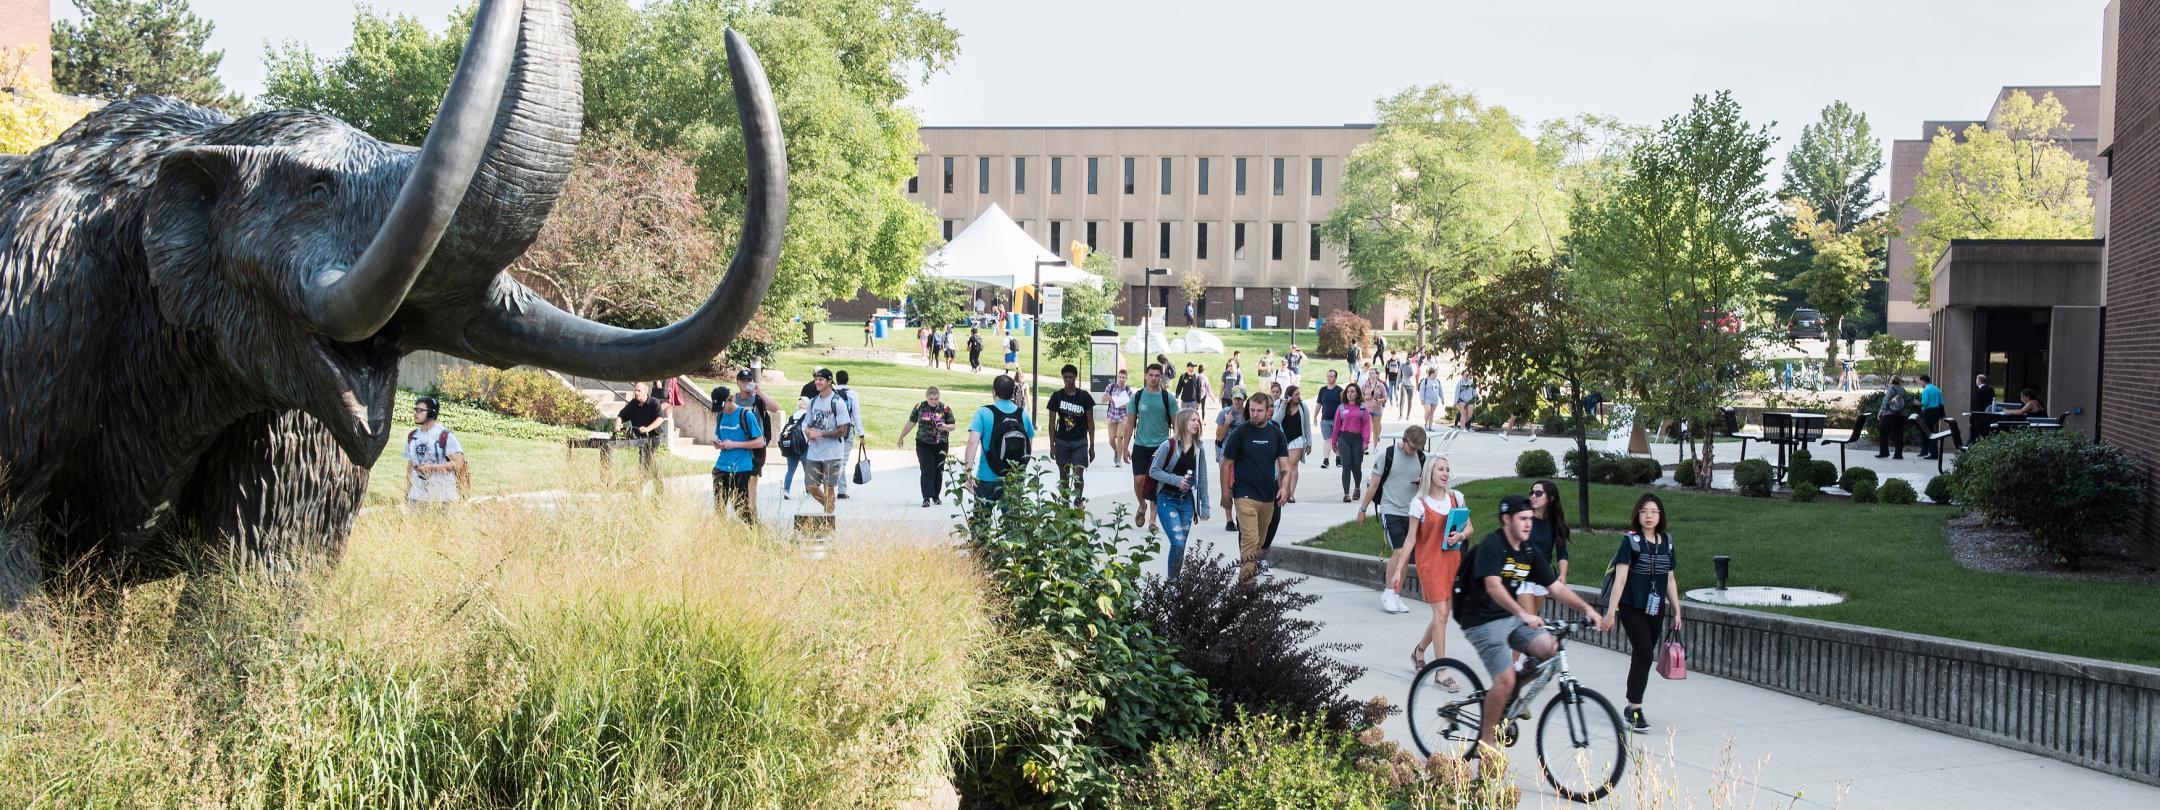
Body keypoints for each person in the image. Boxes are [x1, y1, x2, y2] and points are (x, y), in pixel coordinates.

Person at [1455, 495, 1611, 751]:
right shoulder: (1492, 546)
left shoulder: (1527, 551)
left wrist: (1587, 609)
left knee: (1549, 649)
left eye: (1530, 518)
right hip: (1480, 619)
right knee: (1503, 680)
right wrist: (1523, 613)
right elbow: (1493, 587)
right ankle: (1486, 740)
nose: (1529, 524)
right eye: (1523, 518)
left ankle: (1509, 695)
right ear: (1507, 519)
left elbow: (1555, 588)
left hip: (1509, 617)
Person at [1601, 492, 1682, 735]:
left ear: (1660, 515)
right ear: (1638, 514)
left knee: (1643, 655)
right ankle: (1634, 707)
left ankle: (1633, 703)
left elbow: (1670, 578)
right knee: (1644, 653)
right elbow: (1620, 579)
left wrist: (1677, 610)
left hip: (1655, 607)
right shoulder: (1631, 542)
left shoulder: (1667, 541)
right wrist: (1611, 612)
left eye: (1654, 511)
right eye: (1644, 511)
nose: (1649, 516)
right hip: (1630, 605)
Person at [1407, 456, 1472, 675]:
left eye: (1447, 469)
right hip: (1430, 564)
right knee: (1441, 613)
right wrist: (1398, 570)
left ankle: (1419, 650)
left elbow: (1469, 528)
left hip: (1452, 562)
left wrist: (1461, 535)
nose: (1445, 473)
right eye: (1440, 469)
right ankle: (1441, 671)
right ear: (1429, 474)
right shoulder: (1419, 504)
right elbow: (1410, 540)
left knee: (1443, 615)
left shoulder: (1456, 498)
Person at [1220, 392, 1291, 585]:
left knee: (1258, 543)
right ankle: (1246, 586)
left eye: (1259, 411)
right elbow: (1226, 464)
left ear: (1269, 411)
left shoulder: (1276, 433)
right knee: (1250, 539)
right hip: (1244, 494)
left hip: (1268, 495)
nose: (1255, 414)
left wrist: (1284, 488)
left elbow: (1285, 466)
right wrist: (1225, 493)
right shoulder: (1241, 432)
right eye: (1252, 410)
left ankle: (1248, 576)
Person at [1360, 425, 1428, 614]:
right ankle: (1388, 592)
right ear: (1404, 440)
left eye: (1417, 449)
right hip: (1390, 510)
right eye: (1412, 447)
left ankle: (1396, 595)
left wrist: (1422, 481)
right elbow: (1374, 484)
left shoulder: (1422, 458)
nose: (1414, 451)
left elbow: (1429, 484)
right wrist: (1363, 509)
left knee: (1405, 556)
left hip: (1412, 513)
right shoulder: (1386, 456)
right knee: (1398, 552)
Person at [1149, 407, 1212, 579]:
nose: (1196, 423)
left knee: (1181, 545)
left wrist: (1205, 506)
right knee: (1177, 542)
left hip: (1187, 503)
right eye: (1192, 420)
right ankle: (1172, 583)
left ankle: (1175, 584)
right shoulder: (1168, 445)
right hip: (1166, 500)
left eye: (1198, 420)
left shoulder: (1199, 448)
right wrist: (1177, 480)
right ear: (1183, 422)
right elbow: (1153, 471)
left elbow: (1202, 479)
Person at [963, 374, 1035, 518]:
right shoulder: (1022, 414)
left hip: (987, 476)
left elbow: (972, 443)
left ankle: (981, 541)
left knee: (981, 522)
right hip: (1014, 477)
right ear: (1013, 393)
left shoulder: (984, 412)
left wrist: (968, 472)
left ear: (994, 392)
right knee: (1013, 524)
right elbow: (1029, 444)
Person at [1124, 363, 1179, 531]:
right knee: (1139, 481)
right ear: (1146, 376)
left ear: (1161, 378)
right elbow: (1130, 423)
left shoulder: (1167, 398)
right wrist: (1125, 447)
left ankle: (1152, 521)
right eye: (1151, 375)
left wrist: (1177, 444)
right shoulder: (1138, 397)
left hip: (1161, 446)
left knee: (1155, 483)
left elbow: (1176, 422)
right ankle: (1142, 505)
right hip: (1141, 445)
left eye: (1157, 375)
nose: (1154, 378)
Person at [1517, 479, 1573, 622]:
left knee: (1529, 621)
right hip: (1521, 575)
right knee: (1530, 620)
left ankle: (1515, 642)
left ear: (1551, 498)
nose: (1533, 496)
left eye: (1538, 493)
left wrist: (1562, 575)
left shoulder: (1555, 523)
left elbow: (1562, 553)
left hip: (1541, 577)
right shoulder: (1524, 518)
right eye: (1532, 492)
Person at [709, 385, 766, 522]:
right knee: (719, 508)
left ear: (730, 400)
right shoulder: (721, 415)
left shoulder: (746, 415)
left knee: (741, 508)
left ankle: (756, 534)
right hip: (721, 466)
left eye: (722, 406)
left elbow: (760, 442)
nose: (720, 410)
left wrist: (733, 444)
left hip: (741, 468)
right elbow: (722, 436)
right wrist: (719, 443)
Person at [800, 368, 855, 513]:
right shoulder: (812, 402)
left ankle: (828, 518)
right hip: (814, 453)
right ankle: (829, 507)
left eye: (821, 379)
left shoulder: (837, 402)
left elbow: (844, 431)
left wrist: (821, 434)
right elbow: (806, 423)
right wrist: (807, 431)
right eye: (816, 379)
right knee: (810, 485)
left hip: (833, 453)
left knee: (829, 488)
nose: (817, 382)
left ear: (829, 382)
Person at [896, 386, 957, 508]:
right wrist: (901, 436)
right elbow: (911, 423)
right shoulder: (920, 407)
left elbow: (953, 426)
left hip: (941, 444)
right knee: (927, 469)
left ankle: (936, 495)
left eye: (936, 399)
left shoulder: (945, 409)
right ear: (926, 398)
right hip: (923, 443)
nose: (934, 401)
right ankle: (926, 497)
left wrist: (944, 426)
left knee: (938, 470)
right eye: (931, 399)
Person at [732, 369, 781, 520]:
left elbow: (775, 408)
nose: (746, 383)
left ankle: (752, 516)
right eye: (743, 380)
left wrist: (760, 393)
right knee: (737, 482)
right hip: (737, 446)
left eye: (749, 380)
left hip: (755, 447)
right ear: (738, 382)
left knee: (752, 482)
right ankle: (742, 513)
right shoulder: (733, 400)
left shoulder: (758, 399)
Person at [404, 396, 465, 505]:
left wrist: (432, 467)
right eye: (415, 410)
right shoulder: (412, 436)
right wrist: (408, 491)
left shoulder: (445, 435)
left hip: (443, 498)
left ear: (432, 413)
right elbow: (410, 465)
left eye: (420, 410)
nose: (415, 413)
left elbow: (459, 463)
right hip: (416, 497)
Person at [1047, 364, 1097, 495]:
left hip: (1080, 442)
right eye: (1066, 377)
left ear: (1075, 378)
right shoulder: (1057, 396)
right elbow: (1051, 422)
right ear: (1063, 378)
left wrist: (1092, 446)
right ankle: (1065, 506)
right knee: (1063, 476)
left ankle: (1078, 501)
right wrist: (1052, 444)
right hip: (1062, 441)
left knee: (1078, 475)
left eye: (1071, 377)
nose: (1068, 380)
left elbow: (1091, 422)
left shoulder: (1084, 396)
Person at [1333, 383, 1375, 502]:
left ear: (1357, 394)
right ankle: (1346, 494)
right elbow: (1336, 425)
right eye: (1348, 392)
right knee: (1346, 466)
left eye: (1352, 392)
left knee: (1356, 467)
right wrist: (1334, 441)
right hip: (1344, 438)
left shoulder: (1362, 408)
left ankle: (1357, 487)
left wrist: (1366, 442)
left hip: (1357, 439)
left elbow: (1366, 426)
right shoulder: (1341, 408)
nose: (1350, 394)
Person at [1104, 368, 1134, 468]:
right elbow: (1104, 399)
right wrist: (1106, 397)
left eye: (1123, 377)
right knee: (1111, 439)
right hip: (1112, 415)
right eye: (1120, 377)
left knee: (1120, 438)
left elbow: (1130, 405)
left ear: (1126, 378)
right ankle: (1117, 451)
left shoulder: (1128, 390)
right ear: (1117, 377)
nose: (1121, 379)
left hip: (1123, 416)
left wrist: (1124, 405)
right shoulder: (1111, 387)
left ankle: (1119, 460)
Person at [781, 394, 809, 500]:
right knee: (807, 470)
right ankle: (808, 490)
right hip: (804, 446)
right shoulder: (807, 415)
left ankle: (786, 491)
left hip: (791, 446)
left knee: (790, 470)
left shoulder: (792, 417)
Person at [1875, 376, 1910, 460]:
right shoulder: (1903, 390)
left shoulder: (1891, 390)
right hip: (1900, 415)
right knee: (1899, 435)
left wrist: (1881, 411)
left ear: (1892, 381)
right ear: (1899, 382)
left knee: (1883, 433)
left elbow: (1885, 402)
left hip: (1889, 415)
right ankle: (1898, 454)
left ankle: (1884, 453)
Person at [1316, 370, 1344, 470]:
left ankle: (1338, 459)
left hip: (1337, 420)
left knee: (1337, 440)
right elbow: (1319, 404)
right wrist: (1315, 416)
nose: (1329, 378)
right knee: (1327, 440)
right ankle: (1326, 460)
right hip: (1325, 420)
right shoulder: (1322, 390)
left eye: (1331, 376)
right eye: (1328, 376)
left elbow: (1343, 406)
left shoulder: (1339, 390)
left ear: (1335, 378)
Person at [1916, 374, 1946, 460]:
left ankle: (1932, 453)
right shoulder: (1937, 389)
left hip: (1928, 412)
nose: (1920, 384)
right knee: (1931, 432)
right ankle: (1926, 451)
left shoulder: (1926, 390)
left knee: (1929, 433)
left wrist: (1917, 403)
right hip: (1936, 412)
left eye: (1920, 382)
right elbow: (1941, 403)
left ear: (1923, 381)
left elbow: (1924, 403)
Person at [1360, 362, 1389, 439]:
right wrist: (1365, 398)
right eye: (1371, 373)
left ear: (1377, 375)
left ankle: (1377, 435)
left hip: (1379, 406)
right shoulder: (1366, 384)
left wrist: (1380, 400)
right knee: (1370, 423)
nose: (1373, 375)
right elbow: (1361, 395)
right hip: (1368, 407)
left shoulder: (1382, 383)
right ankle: (1370, 437)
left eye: (1375, 374)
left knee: (1378, 423)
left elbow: (1386, 395)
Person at [1419, 366, 1445, 431]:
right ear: (1432, 373)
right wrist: (1422, 399)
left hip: (1435, 401)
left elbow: (1440, 390)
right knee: (1428, 411)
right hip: (1427, 400)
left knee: (1432, 413)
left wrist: (1442, 398)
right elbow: (1421, 391)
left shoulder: (1437, 381)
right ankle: (1425, 424)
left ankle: (1430, 426)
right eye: (1436, 372)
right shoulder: (1425, 381)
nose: (1437, 373)